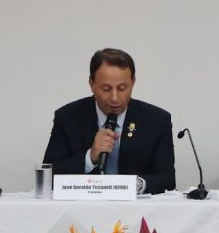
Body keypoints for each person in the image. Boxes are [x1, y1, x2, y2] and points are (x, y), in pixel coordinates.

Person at [42, 48, 175, 194]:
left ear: (133, 82)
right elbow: (48, 176)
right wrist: (90, 158)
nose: (114, 98)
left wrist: (135, 185)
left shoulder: (157, 120)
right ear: (91, 84)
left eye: (122, 88)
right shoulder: (68, 117)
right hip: (84, 206)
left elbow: (168, 179)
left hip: (135, 206)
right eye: (106, 89)